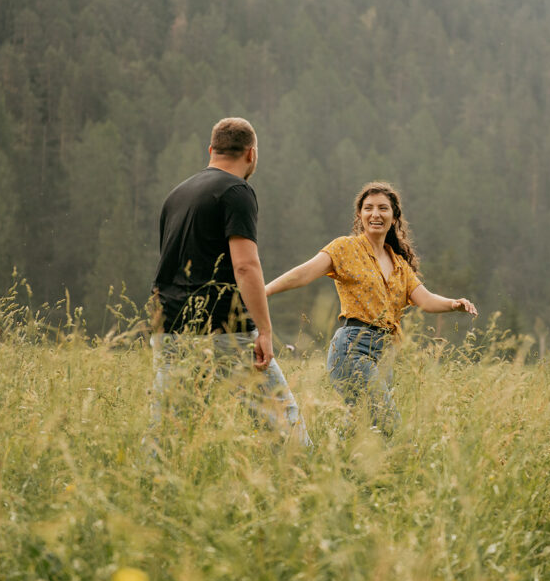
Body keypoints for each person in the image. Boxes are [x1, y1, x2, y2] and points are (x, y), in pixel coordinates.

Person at [265, 181, 477, 433]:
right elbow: (303, 274)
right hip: (352, 348)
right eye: (368, 208)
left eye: (383, 208)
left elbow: (426, 299)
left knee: (364, 429)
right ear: (360, 215)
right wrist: (262, 291)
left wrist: (454, 304)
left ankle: (335, 466)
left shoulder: (399, 264)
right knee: (388, 424)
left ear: (395, 217)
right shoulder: (345, 248)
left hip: (383, 355)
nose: (375, 214)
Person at [150, 117, 310, 447]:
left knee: (167, 425)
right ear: (251, 154)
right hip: (225, 329)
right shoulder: (236, 191)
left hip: (169, 327)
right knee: (281, 417)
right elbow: (246, 267)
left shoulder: (176, 195)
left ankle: (149, 488)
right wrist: (264, 330)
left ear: (211, 150)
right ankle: (308, 487)